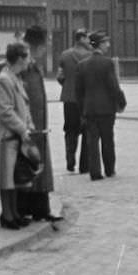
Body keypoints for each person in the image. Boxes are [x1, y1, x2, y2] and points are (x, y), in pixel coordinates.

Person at [0, 42, 35, 229]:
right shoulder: (4, 79)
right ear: (20, 58)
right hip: (7, 135)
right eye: (27, 56)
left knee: (13, 177)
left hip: (15, 135)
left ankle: (13, 213)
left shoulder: (14, 77)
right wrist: (23, 129)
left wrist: (28, 125)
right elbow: (5, 111)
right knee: (6, 178)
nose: (29, 60)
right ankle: (7, 215)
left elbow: (23, 107)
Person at [17, 27, 61, 223]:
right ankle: (26, 209)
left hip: (39, 125)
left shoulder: (33, 64)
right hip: (29, 125)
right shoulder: (23, 64)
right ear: (38, 45)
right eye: (45, 43)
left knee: (39, 166)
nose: (47, 48)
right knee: (29, 166)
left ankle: (41, 209)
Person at [75, 32, 125, 181]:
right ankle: (109, 169)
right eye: (106, 43)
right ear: (100, 45)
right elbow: (113, 85)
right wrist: (121, 102)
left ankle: (95, 171)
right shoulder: (107, 63)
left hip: (90, 109)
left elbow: (78, 91)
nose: (108, 45)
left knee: (92, 141)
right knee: (107, 139)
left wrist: (82, 109)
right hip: (106, 109)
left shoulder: (82, 65)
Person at [56, 29, 91, 173]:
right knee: (87, 130)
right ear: (82, 39)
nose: (89, 41)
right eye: (88, 38)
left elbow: (60, 76)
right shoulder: (90, 56)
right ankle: (85, 165)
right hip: (86, 99)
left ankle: (70, 161)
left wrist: (67, 84)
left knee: (70, 130)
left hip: (69, 99)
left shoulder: (65, 55)